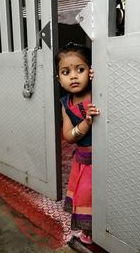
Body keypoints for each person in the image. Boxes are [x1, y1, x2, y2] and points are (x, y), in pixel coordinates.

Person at [55, 42, 99, 244]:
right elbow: (68, 136)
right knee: (84, 196)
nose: (73, 76)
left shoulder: (97, 91)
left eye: (80, 70)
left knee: (99, 195)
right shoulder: (66, 104)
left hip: (104, 157)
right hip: (83, 160)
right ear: (59, 79)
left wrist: (100, 77)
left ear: (90, 71)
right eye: (66, 72)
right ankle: (88, 233)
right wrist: (85, 123)